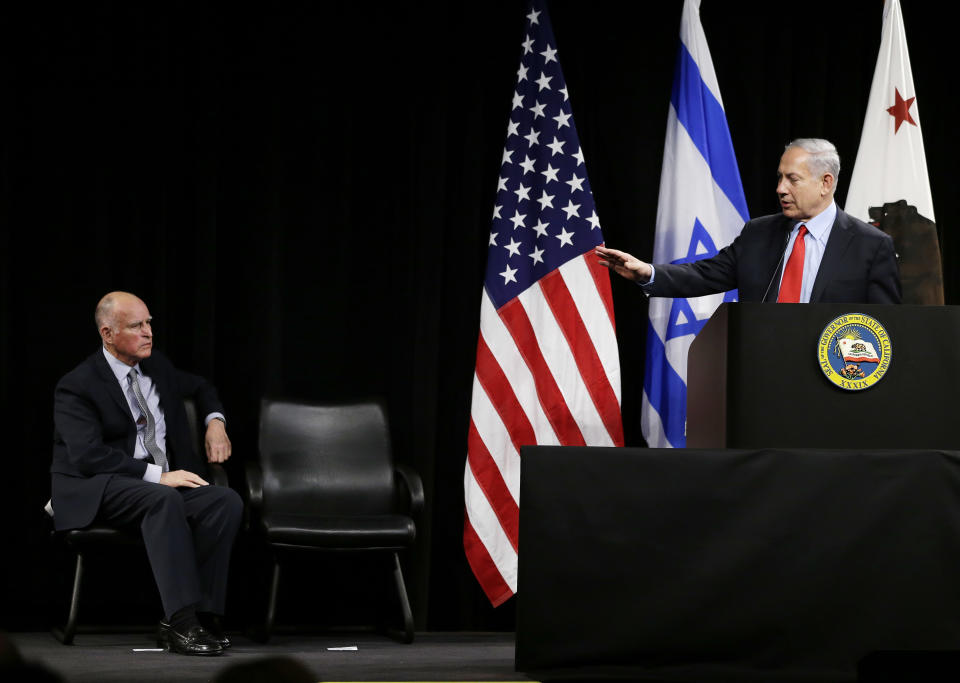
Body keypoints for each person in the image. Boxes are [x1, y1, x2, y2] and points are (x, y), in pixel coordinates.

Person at [50, 291, 243, 656]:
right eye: (137, 326)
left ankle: (203, 614)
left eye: (149, 322)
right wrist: (157, 475)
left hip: (157, 487)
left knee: (224, 501)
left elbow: (201, 386)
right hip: (100, 486)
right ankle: (182, 622)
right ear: (108, 334)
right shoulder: (78, 385)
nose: (148, 332)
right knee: (163, 497)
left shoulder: (158, 367)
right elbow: (88, 456)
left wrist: (215, 422)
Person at [595, 138, 902, 304]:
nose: (780, 189)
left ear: (825, 183)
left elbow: (885, 330)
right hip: (761, 374)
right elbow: (706, 274)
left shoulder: (871, 246)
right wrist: (646, 272)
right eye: (780, 178)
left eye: (792, 179)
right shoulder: (759, 233)